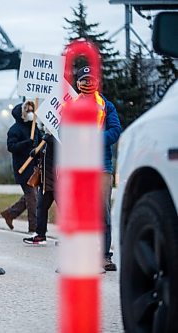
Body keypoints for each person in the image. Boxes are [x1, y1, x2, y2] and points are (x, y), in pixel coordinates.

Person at [74, 66, 122, 271]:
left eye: (91, 79)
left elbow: (116, 130)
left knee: (102, 212)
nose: (87, 83)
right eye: (84, 80)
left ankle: (104, 256)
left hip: (102, 167)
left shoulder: (106, 106)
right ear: (78, 83)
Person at [0, 101, 40, 232]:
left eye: (31, 110)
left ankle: (10, 213)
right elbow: (11, 147)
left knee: (32, 196)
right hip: (23, 168)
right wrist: (26, 144)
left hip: (35, 168)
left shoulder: (34, 127)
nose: (30, 113)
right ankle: (34, 228)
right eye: (27, 111)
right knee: (32, 197)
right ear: (21, 114)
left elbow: (40, 144)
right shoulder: (14, 129)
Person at [23, 131, 56, 245]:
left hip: (58, 180)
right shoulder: (45, 138)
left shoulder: (63, 134)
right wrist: (36, 152)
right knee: (41, 207)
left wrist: (51, 141)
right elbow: (45, 154)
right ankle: (40, 235)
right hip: (46, 181)